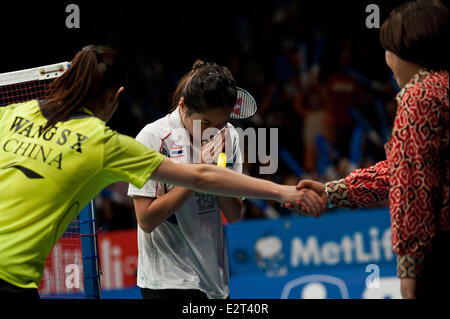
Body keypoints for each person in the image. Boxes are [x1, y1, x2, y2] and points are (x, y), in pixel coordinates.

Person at [0, 45, 324, 300]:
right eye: (207, 123)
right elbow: (166, 204)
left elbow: (232, 209)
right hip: (161, 283)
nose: (214, 130)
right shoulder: (115, 142)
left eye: (221, 123)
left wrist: (221, 165)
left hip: (214, 281)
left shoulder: (15, 111)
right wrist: (284, 192)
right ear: (116, 97)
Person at [291, 0, 449, 299]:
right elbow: (402, 168)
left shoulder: (419, 95)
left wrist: (409, 267)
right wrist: (334, 192)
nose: (387, 59)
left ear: (407, 49)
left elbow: (412, 186)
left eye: (389, 48)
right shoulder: (443, 88)